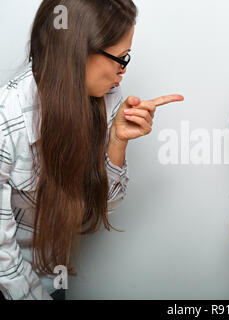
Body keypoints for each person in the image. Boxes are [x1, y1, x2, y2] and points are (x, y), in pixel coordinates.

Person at [0, 0, 183, 300]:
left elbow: (102, 206)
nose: (123, 72)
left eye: (128, 57)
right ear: (78, 51)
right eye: (120, 58)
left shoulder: (107, 96)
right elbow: (3, 258)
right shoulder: (7, 119)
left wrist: (117, 141)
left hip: (51, 279)